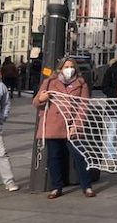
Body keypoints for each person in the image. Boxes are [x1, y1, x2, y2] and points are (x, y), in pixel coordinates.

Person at [34, 58, 95, 199]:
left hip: (72, 125)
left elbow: (83, 106)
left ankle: (86, 186)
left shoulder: (81, 83)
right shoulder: (49, 82)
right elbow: (36, 102)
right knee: (54, 157)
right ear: (60, 68)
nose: (69, 69)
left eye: (72, 66)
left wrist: (77, 125)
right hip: (53, 124)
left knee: (80, 156)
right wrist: (42, 98)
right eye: (66, 66)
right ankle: (57, 187)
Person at [0, 80, 18, 191]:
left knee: (1, 154)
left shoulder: (1, 86)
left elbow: (6, 104)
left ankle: (9, 181)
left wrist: (2, 118)